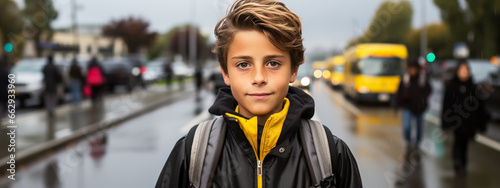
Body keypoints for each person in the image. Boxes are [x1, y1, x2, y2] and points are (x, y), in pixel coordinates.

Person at [155, 1, 362, 187]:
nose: (259, 77)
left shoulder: (331, 156)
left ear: (293, 70)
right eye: (243, 64)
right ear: (225, 72)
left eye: (273, 63)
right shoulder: (193, 154)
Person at [441, 60, 489, 176]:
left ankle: (463, 163)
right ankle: (457, 162)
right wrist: (446, 122)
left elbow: (480, 107)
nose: (464, 73)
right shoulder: (452, 86)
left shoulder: (473, 87)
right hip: (457, 122)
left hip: (469, 122)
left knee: (465, 143)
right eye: (462, 71)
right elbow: (446, 105)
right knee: (458, 141)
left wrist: (481, 124)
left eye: (466, 71)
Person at [394, 59, 432, 153]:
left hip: (420, 107)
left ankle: (417, 143)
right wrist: (396, 106)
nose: (412, 71)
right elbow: (399, 92)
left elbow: (429, 89)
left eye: (414, 69)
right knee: (407, 126)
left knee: (419, 127)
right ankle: (408, 142)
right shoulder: (405, 78)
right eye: (411, 69)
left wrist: (423, 99)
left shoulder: (422, 78)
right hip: (407, 106)